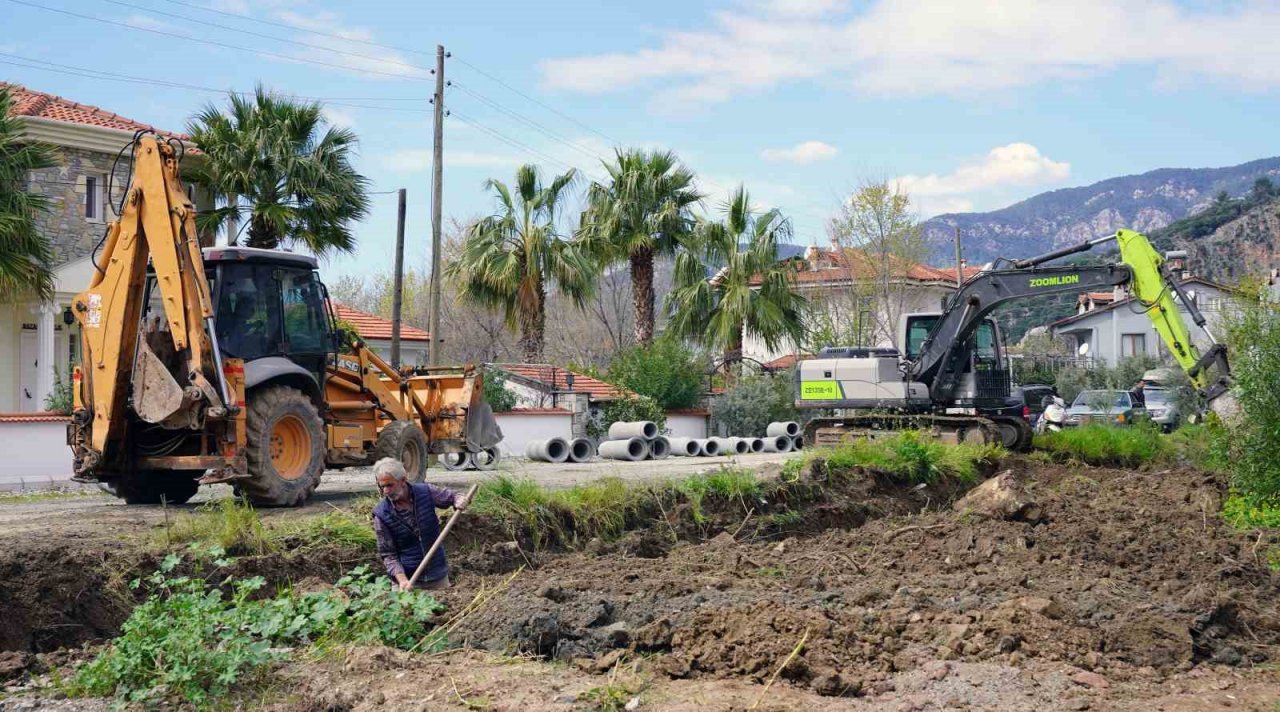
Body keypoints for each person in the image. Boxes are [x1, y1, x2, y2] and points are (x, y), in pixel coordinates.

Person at [371, 457, 470, 591]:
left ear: (403, 480)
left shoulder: (426, 492)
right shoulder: (382, 515)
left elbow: (452, 497)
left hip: (437, 576)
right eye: (382, 487)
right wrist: (403, 580)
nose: (386, 491)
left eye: (389, 485)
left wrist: (459, 500)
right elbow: (388, 554)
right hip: (408, 581)